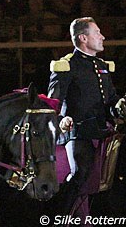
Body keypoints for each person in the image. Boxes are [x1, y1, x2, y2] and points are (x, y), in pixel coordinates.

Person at [47, 17, 121, 215]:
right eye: (97, 32)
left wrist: (121, 105)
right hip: (78, 132)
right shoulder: (67, 65)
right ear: (83, 38)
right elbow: (53, 103)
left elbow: (111, 98)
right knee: (80, 173)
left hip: (103, 130)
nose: (102, 36)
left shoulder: (101, 66)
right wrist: (61, 119)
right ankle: (59, 216)